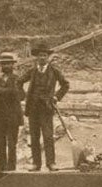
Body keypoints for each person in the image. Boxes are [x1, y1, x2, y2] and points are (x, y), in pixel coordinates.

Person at [19, 42, 69, 171]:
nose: (42, 58)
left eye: (44, 55)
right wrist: (24, 96)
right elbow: (19, 82)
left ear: (48, 57)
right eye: (40, 55)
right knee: (34, 137)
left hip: (46, 108)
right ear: (37, 57)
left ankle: (51, 163)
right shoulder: (32, 71)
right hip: (33, 108)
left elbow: (65, 85)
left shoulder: (54, 71)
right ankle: (36, 164)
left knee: (48, 136)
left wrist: (56, 97)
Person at [0, 52, 24, 176]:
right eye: (3, 64)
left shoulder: (17, 80)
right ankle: (1, 172)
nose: (6, 66)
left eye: (8, 64)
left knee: (12, 146)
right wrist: (3, 93)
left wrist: (2, 91)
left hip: (13, 117)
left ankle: (11, 172)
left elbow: (20, 95)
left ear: (13, 65)